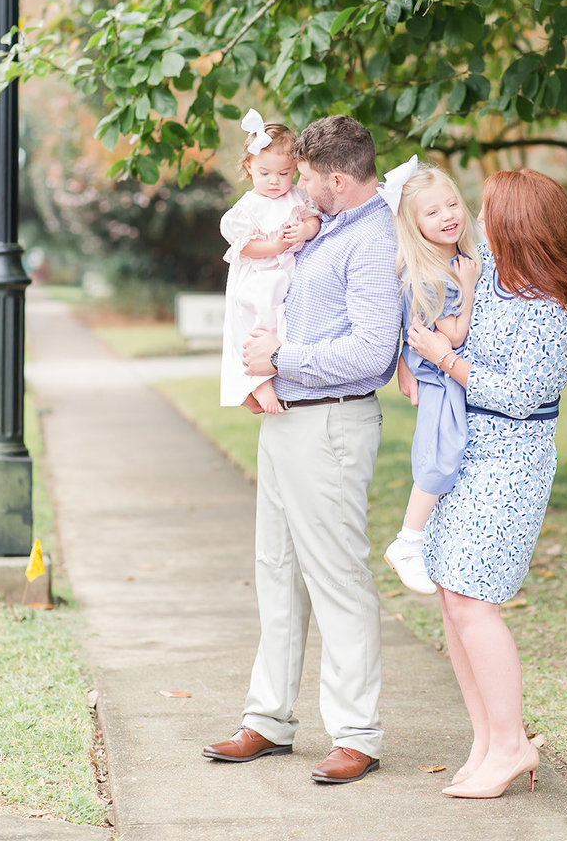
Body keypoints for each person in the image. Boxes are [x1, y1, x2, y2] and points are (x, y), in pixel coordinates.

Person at [203, 115, 402, 785]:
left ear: (338, 180)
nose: (298, 187)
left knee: (337, 578)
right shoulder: (325, 223)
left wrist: (284, 354)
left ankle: (357, 734)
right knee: (277, 571)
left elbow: (374, 351)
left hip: (332, 426)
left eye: (309, 178)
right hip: (286, 419)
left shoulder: (371, 239)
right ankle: (268, 719)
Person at [405, 169, 567, 800]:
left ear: (520, 228)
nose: (479, 224)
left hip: (510, 463)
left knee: (473, 602)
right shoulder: (490, 274)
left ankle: (512, 743)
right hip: (468, 454)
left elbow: (522, 397)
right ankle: (488, 739)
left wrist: (445, 360)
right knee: (450, 595)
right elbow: (426, 247)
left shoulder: (551, 312)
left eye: (491, 215)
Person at [381, 161, 480, 596]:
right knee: (441, 454)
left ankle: (421, 536)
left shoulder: (442, 262)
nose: (448, 216)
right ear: (413, 224)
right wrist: (470, 288)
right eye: (432, 212)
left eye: (452, 204)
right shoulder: (437, 275)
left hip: (435, 375)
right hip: (439, 378)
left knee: (447, 451)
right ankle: (408, 541)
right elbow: (452, 335)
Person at [219, 109, 320, 415]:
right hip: (258, 277)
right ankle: (259, 385)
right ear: (249, 167)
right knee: (254, 324)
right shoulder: (248, 207)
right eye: (265, 174)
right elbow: (244, 246)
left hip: (287, 275)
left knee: (282, 325)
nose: (275, 182)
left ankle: (273, 378)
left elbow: (314, 221)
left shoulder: (297, 197)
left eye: (284, 173)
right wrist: (275, 246)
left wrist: (304, 230)